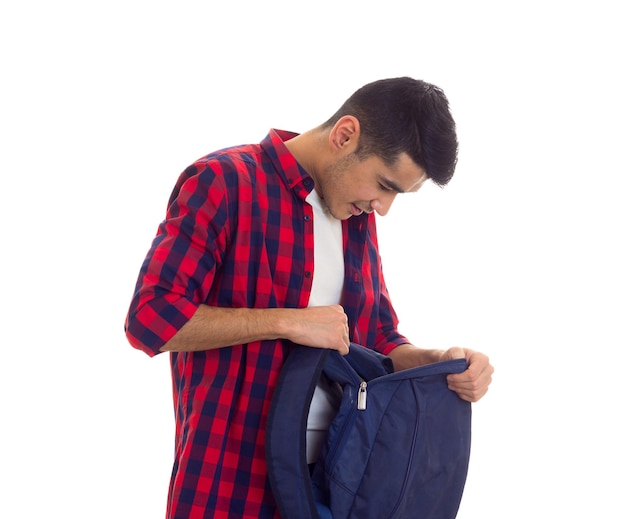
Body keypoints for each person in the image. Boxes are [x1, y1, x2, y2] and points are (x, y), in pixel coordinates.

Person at [124, 76, 494, 519]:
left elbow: (376, 338)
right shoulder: (224, 181)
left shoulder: (354, 215)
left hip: (337, 486)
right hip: (231, 481)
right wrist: (286, 321)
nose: (384, 207)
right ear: (344, 135)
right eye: (385, 185)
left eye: (399, 195)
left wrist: (440, 363)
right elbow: (150, 318)